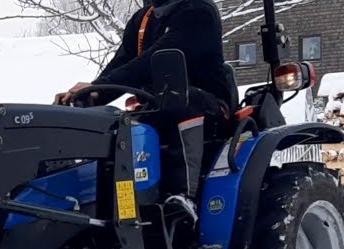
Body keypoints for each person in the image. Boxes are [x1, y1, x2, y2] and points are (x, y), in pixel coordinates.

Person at [55, 0, 234, 223]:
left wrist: (103, 85)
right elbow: (123, 62)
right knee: (119, 124)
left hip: (208, 106)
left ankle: (184, 195)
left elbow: (154, 58)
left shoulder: (198, 12)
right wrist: (95, 91)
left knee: (182, 101)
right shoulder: (143, 20)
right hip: (157, 105)